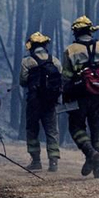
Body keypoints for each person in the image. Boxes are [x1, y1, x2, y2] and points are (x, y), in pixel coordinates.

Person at [62, 15, 99, 179]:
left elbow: (66, 77)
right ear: (90, 31)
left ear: (76, 32)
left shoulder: (71, 50)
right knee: (97, 129)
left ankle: (90, 152)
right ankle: (98, 170)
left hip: (79, 95)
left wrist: (65, 95)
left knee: (76, 127)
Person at [20, 32, 64, 171]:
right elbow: (61, 80)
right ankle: (53, 162)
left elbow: (23, 81)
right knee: (52, 131)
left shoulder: (27, 61)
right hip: (51, 102)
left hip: (34, 102)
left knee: (32, 130)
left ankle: (36, 161)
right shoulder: (55, 61)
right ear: (45, 45)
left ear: (32, 46)